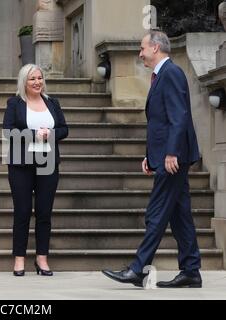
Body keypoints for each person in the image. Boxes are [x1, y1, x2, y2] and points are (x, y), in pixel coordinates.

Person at [102, 30, 202, 288]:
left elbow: (178, 117)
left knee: (156, 213)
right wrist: (151, 156)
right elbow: (161, 121)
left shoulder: (171, 73)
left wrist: (170, 153)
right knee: (180, 215)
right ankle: (191, 270)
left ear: (155, 48)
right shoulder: (163, 75)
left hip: (174, 157)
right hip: (167, 154)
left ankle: (138, 269)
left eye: (142, 48)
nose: (140, 53)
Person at [3, 64, 68, 276]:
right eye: (32, 79)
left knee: (44, 213)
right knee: (22, 212)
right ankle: (19, 259)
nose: (37, 82)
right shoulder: (15, 103)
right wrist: (33, 135)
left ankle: (42, 259)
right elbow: (8, 131)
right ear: (24, 82)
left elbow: (64, 129)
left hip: (48, 163)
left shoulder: (52, 103)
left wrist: (50, 134)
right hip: (21, 165)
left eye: (40, 78)